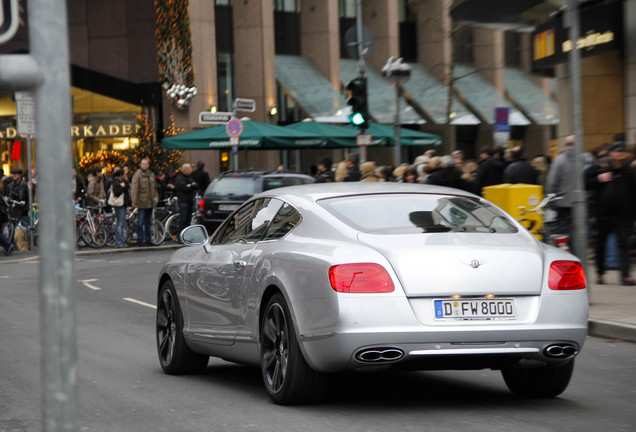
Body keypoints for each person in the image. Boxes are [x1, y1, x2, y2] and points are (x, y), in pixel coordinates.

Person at [585, 139, 636, 285]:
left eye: (623, 152)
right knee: (601, 243)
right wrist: (598, 179)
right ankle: (600, 273)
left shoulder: (628, 170)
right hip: (603, 214)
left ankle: (625, 275)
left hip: (623, 215)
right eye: (618, 151)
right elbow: (585, 183)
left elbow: (634, 193)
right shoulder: (600, 166)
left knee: (624, 243)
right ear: (612, 153)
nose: (621, 154)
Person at [544, 135, 577, 241]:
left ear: (564, 145)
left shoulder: (559, 160)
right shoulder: (582, 159)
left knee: (564, 230)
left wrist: (549, 201)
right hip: (579, 201)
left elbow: (552, 182)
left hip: (562, 202)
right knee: (577, 229)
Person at [131, 158, 159, 247]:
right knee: (140, 222)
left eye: (146, 164)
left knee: (148, 222)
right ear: (140, 165)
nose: (144, 166)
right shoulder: (137, 175)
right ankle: (141, 240)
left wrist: (155, 198)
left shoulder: (151, 174)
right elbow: (134, 189)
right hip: (141, 202)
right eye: (143, 164)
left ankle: (148, 239)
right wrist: (134, 201)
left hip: (150, 202)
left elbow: (154, 188)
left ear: (148, 165)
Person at [174, 163, 198, 234]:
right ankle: (181, 235)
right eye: (190, 169)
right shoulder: (180, 178)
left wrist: (190, 186)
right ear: (185, 170)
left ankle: (187, 236)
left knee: (188, 220)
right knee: (183, 219)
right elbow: (185, 188)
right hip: (183, 201)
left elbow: (196, 185)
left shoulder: (190, 177)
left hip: (190, 200)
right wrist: (191, 186)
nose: (191, 170)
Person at [109, 169, 130, 248]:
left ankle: (122, 241)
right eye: (124, 174)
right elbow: (117, 192)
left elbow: (127, 187)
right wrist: (123, 187)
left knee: (121, 223)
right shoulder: (116, 182)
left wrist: (124, 185)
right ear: (121, 175)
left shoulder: (123, 181)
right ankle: (119, 242)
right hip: (119, 204)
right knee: (120, 223)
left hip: (123, 204)